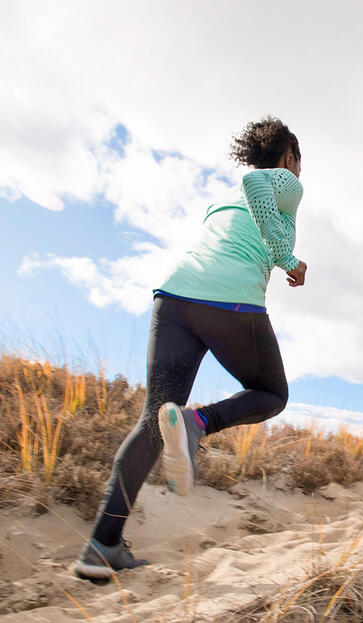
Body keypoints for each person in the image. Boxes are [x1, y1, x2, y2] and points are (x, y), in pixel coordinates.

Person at [72, 116, 306, 581]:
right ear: (288, 158)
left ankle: (102, 546)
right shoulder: (280, 182)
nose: (298, 177)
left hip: (175, 299)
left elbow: (247, 195)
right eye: (297, 166)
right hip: (229, 298)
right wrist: (288, 259)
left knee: (153, 421)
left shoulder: (219, 203)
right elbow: (257, 183)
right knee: (271, 394)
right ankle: (199, 423)